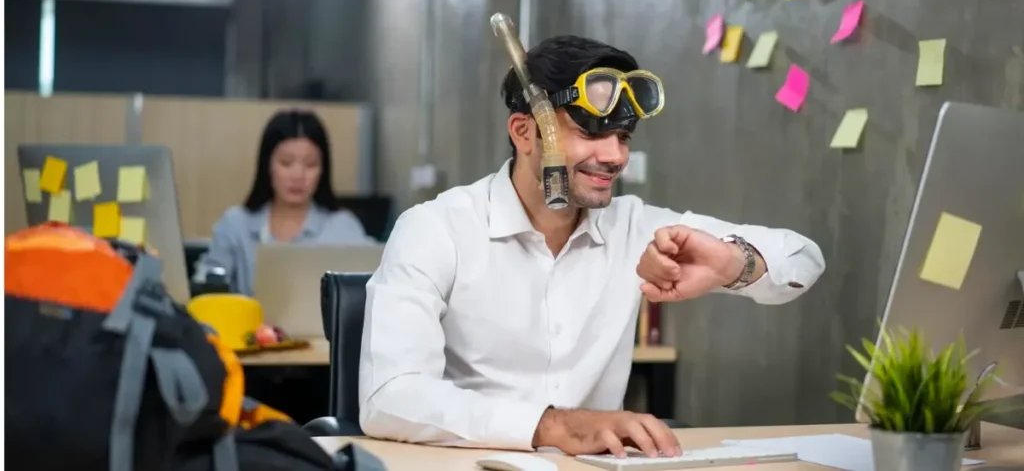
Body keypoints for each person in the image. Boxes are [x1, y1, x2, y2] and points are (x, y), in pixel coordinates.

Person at [358, 36, 826, 457]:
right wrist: (554, 426)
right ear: (524, 132)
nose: (615, 156)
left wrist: (733, 262)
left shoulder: (635, 227)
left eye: (622, 137)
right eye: (590, 133)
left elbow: (803, 259)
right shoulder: (436, 229)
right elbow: (389, 397)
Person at [194, 109, 373, 296]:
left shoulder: (343, 227)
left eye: (310, 164)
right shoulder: (235, 224)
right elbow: (204, 287)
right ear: (267, 165)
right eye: (286, 163)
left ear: (323, 170)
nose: (298, 175)